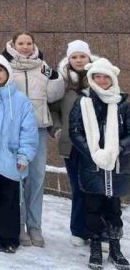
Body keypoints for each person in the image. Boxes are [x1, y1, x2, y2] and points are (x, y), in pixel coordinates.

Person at [2, 31, 64, 247]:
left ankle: (34, 225)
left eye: (29, 43)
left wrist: (56, 78)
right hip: (14, 130)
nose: (25, 47)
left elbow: (54, 95)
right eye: (21, 43)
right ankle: (19, 225)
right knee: (18, 178)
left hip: (38, 130)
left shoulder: (43, 67)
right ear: (13, 44)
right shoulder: (6, 65)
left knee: (37, 178)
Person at [69, 58, 130, 270]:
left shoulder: (122, 104)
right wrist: (93, 153)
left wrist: (117, 149)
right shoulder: (83, 102)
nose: (102, 80)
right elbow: (75, 131)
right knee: (92, 206)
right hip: (91, 165)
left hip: (116, 165)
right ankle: (95, 245)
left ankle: (115, 247)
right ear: (91, 78)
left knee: (113, 208)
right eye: (97, 77)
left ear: (112, 78)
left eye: (106, 76)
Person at [0, 55, 39, 254]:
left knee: (9, 200)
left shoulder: (20, 100)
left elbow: (28, 131)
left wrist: (24, 156)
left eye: (0, 70)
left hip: (10, 159)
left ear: (7, 72)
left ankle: (9, 238)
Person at [50, 40, 95, 247]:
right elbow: (54, 110)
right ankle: (78, 230)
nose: (78, 60)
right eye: (74, 57)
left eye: (82, 56)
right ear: (69, 59)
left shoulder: (100, 77)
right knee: (78, 188)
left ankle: (99, 230)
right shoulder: (62, 82)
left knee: (97, 188)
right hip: (72, 144)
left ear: (89, 57)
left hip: (96, 145)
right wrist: (58, 129)